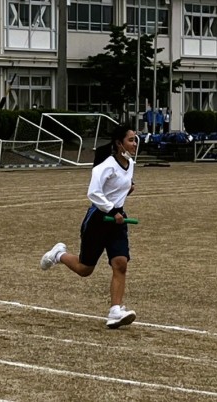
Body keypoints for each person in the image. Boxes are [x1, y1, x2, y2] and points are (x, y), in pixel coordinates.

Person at [40, 125, 139, 329]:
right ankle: (59, 254)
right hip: (98, 219)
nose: (135, 143)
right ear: (119, 143)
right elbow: (94, 193)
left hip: (118, 220)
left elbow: (118, 190)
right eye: (130, 140)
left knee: (120, 263)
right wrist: (112, 211)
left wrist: (127, 191)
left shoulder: (130, 164)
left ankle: (115, 311)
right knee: (85, 269)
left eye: (136, 139)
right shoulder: (106, 165)